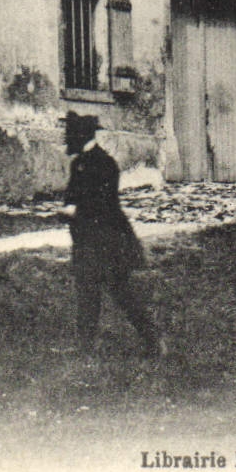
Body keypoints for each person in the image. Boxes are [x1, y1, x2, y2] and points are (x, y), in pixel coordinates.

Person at [59, 113, 164, 357]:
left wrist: (73, 213)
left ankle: (153, 341)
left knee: (121, 293)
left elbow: (101, 205)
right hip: (89, 240)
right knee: (87, 295)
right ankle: (85, 349)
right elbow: (74, 199)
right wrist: (69, 211)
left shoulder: (103, 164)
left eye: (69, 135)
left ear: (81, 136)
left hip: (107, 241)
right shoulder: (80, 163)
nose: (66, 141)